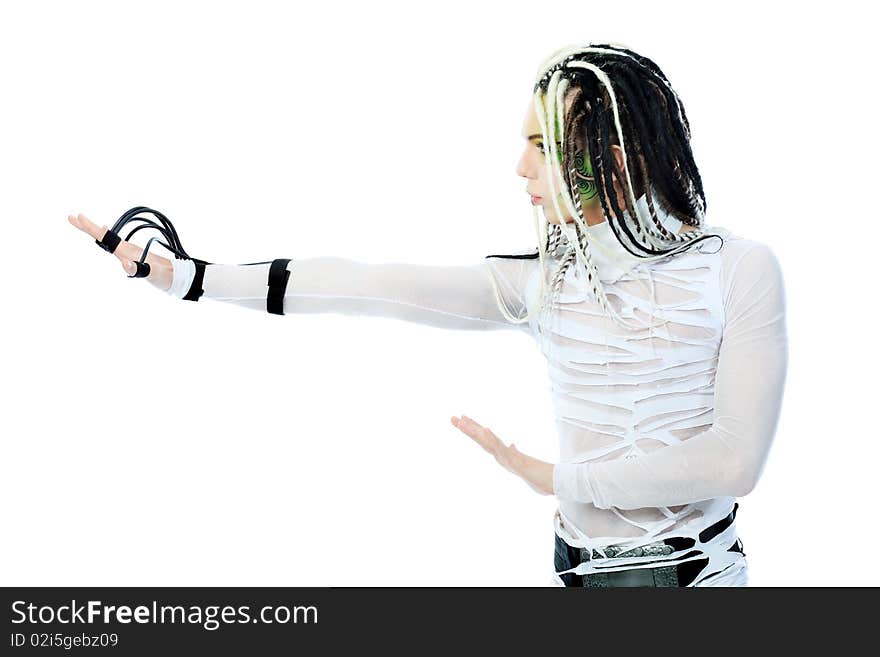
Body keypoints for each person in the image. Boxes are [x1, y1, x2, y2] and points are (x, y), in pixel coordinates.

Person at [69, 42, 787, 587]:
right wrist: (190, 277)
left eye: (542, 145)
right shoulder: (548, 280)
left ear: (613, 155)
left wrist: (554, 475)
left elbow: (734, 460)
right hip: (575, 566)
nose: (520, 168)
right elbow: (366, 284)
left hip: (694, 577)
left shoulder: (738, 269)